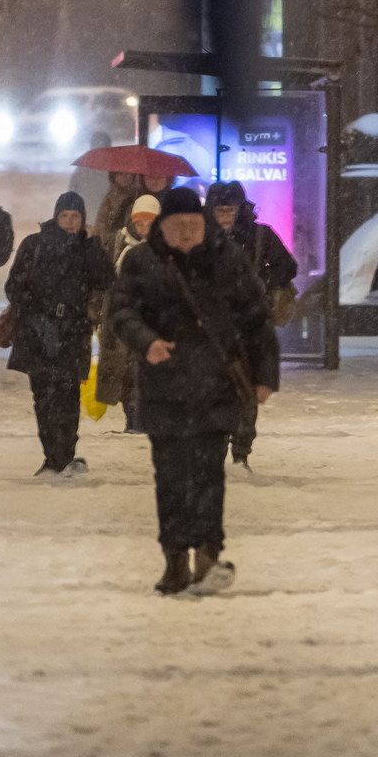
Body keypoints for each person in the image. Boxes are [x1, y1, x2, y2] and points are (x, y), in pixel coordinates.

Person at [109, 187, 279, 597]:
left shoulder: (228, 260)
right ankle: (174, 560)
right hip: (164, 388)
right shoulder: (140, 262)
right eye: (176, 227)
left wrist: (264, 376)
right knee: (169, 477)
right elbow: (120, 311)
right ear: (161, 229)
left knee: (208, 474)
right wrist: (145, 340)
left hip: (215, 385)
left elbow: (257, 318)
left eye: (192, 226)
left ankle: (207, 553)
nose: (186, 235)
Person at [5, 191, 115, 476]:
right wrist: (37, 312)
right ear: (56, 217)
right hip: (37, 332)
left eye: (74, 217)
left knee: (67, 396)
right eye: (64, 216)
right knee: (43, 397)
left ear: (82, 220)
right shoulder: (35, 244)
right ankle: (51, 457)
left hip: (73, 331)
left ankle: (64, 456)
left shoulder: (86, 247)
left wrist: (92, 245)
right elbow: (14, 286)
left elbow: (105, 279)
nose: (69, 222)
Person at [204, 180, 298, 466]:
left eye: (230, 209)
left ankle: (241, 452)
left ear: (240, 208)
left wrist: (260, 282)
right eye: (220, 210)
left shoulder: (259, 236)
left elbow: (288, 266)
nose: (225, 216)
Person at [94, 193, 159, 429]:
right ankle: (132, 417)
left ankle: (142, 417)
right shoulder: (118, 243)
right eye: (139, 223)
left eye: (149, 223)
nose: (143, 229)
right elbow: (105, 278)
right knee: (123, 369)